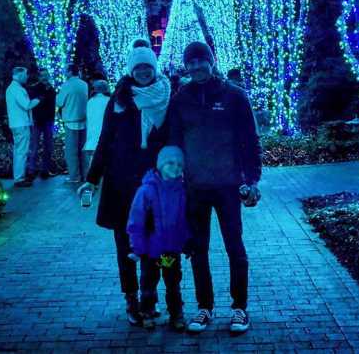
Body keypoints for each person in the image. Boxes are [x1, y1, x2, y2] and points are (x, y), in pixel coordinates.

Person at [167, 41, 262, 334]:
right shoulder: (181, 98)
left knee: (235, 247)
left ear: (211, 61)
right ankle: (204, 307)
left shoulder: (234, 96)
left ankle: (239, 309)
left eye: (201, 61)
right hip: (195, 187)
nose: (196, 66)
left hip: (229, 186)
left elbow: (250, 140)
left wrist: (252, 180)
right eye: (191, 62)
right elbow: (174, 141)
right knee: (198, 250)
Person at [79, 39, 171, 326]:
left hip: (154, 184)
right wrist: (92, 179)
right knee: (126, 246)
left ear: (154, 68)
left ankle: (149, 297)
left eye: (148, 66)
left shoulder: (167, 96)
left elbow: (175, 139)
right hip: (121, 185)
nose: (143, 71)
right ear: (132, 69)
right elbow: (104, 141)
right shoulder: (119, 99)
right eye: (138, 66)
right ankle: (131, 298)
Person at [126, 146, 189, 331]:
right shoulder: (146, 190)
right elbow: (136, 222)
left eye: (179, 164)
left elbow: (185, 220)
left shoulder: (182, 189)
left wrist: (186, 241)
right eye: (170, 163)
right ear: (160, 165)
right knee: (149, 282)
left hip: (169, 250)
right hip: (150, 251)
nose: (175, 167)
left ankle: (176, 313)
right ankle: (147, 311)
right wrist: (137, 248)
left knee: (172, 282)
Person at [5, 67, 40, 187]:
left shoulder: (12, 88)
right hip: (21, 124)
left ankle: (19, 177)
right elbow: (27, 105)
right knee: (21, 151)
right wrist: (38, 100)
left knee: (18, 151)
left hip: (16, 124)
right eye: (25, 75)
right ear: (19, 75)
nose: (27, 77)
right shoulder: (17, 89)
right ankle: (19, 179)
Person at [56, 64, 88, 184]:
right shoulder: (84, 84)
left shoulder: (67, 85)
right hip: (84, 121)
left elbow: (59, 102)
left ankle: (74, 176)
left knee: (71, 151)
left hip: (70, 122)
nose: (65, 73)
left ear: (70, 72)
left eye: (66, 71)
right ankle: (85, 174)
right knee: (83, 150)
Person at [28, 68, 57, 179]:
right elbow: (34, 104)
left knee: (48, 146)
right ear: (39, 77)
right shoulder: (35, 88)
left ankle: (45, 170)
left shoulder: (51, 89)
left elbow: (52, 105)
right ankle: (31, 171)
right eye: (42, 75)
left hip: (48, 121)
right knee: (34, 146)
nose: (44, 77)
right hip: (37, 121)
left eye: (46, 75)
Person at [82, 80, 110, 171]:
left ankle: (91, 181)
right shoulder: (109, 101)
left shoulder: (90, 101)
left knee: (92, 161)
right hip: (105, 137)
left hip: (91, 138)